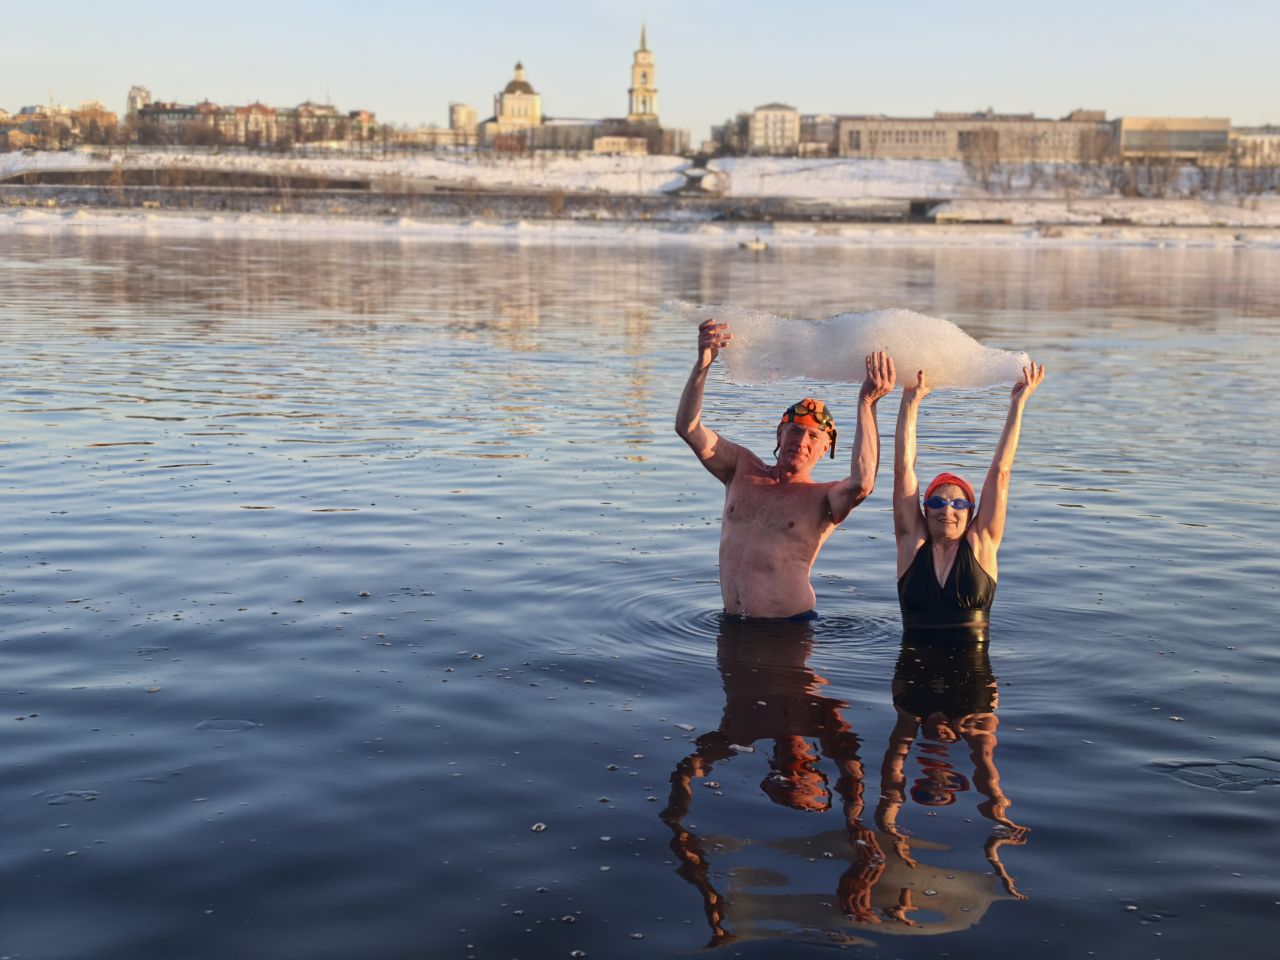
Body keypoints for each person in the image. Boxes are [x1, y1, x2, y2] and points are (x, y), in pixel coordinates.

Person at [676, 318, 896, 619]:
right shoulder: (741, 468)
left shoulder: (824, 498)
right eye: (793, 431)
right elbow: (688, 428)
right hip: (731, 626)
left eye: (813, 436)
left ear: (825, 449)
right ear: (779, 435)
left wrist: (867, 401)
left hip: (789, 630)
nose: (800, 441)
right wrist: (703, 365)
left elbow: (863, 482)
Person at [892, 362, 1045, 639]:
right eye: (937, 503)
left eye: (958, 504)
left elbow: (1001, 472)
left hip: (972, 679)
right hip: (913, 676)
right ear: (924, 510)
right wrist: (910, 402)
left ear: (971, 512)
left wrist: (1017, 403)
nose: (947, 510)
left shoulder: (981, 543)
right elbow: (904, 469)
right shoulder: (910, 543)